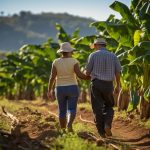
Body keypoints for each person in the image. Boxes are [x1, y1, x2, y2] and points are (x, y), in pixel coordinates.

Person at [47, 42, 89, 132]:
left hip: (60, 88)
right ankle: (69, 124)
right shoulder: (74, 61)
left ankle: (63, 130)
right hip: (72, 87)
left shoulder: (56, 62)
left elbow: (52, 77)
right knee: (72, 108)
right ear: (70, 51)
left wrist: (49, 90)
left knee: (62, 110)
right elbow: (80, 75)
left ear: (61, 52)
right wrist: (89, 77)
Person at [86, 38, 122, 138]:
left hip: (96, 84)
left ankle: (101, 133)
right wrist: (117, 85)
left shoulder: (93, 55)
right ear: (105, 45)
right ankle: (107, 124)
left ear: (97, 45)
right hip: (108, 85)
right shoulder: (113, 55)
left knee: (97, 108)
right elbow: (118, 72)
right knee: (109, 106)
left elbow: (87, 72)